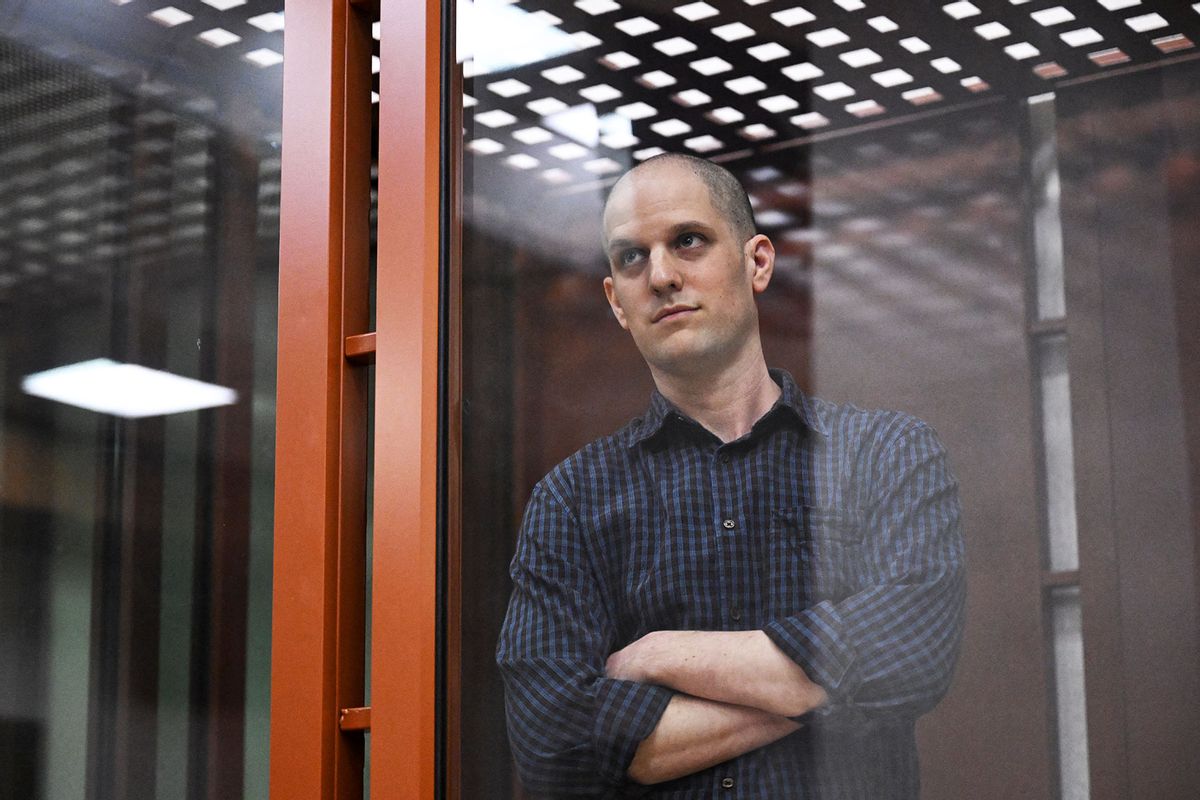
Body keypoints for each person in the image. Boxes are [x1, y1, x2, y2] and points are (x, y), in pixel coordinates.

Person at [496, 153, 965, 798]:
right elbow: (553, 741)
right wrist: (829, 690)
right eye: (631, 257)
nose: (660, 275)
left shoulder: (886, 454)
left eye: (688, 241)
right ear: (616, 302)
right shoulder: (571, 502)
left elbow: (913, 649)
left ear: (758, 262)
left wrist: (660, 655)